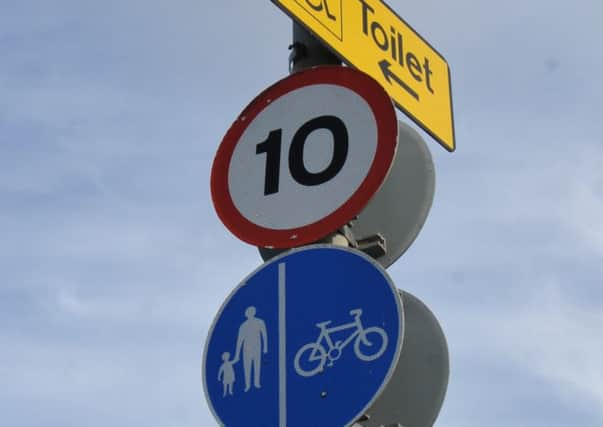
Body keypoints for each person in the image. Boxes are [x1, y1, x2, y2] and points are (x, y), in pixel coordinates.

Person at [234, 306, 268, 391]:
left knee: (257, 365)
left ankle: (257, 383)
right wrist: (237, 354)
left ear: (254, 312)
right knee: (247, 366)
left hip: (257, 347)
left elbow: (264, 335)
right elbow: (239, 341)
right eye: (248, 312)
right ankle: (247, 385)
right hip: (246, 348)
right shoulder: (243, 325)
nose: (249, 313)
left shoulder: (260, 322)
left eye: (251, 311)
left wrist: (265, 347)